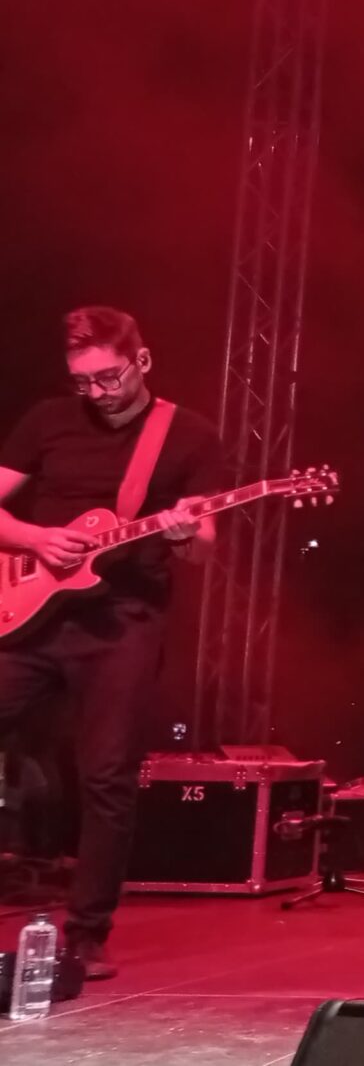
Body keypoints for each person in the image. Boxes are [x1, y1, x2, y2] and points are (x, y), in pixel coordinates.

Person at [0, 307, 225, 981]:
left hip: (124, 619)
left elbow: (203, 548)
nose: (96, 392)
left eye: (108, 377)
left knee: (106, 775)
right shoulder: (48, 420)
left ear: (142, 361)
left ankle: (87, 936)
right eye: (83, 381)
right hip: (28, 611)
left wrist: (184, 534)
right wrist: (35, 538)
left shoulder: (189, 436)